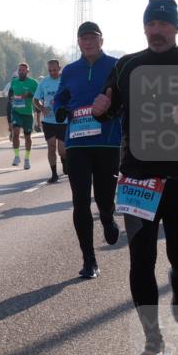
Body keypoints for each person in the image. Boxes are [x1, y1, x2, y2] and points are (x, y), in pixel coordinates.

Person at [92, 0, 178, 355]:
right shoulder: (127, 67)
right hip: (138, 179)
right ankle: (153, 340)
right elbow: (109, 108)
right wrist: (100, 111)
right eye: (150, 24)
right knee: (140, 259)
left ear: (176, 27)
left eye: (163, 24)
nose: (156, 30)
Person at [53, 22, 122, 279]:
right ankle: (89, 259)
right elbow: (60, 97)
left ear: (101, 41)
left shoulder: (116, 66)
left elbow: (124, 99)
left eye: (93, 38)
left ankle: (107, 216)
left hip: (107, 142)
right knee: (80, 200)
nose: (88, 42)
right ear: (78, 42)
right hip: (78, 144)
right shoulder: (70, 70)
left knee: (104, 198)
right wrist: (59, 107)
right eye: (83, 39)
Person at [35, 58, 67, 183]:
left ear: (59, 68)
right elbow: (36, 99)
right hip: (48, 121)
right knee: (51, 146)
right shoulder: (43, 82)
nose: (52, 72)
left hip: (63, 121)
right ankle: (54, 174)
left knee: (62, 150)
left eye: (54, 70)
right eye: (50, 70)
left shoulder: (65, 80)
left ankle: (64, 162)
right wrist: (42, 108)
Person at [7, 63, 38, 169]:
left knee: (27, 137)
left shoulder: (33, 83)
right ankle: (16, 156)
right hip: (16, 111)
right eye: (20, 70)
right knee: (15, 133)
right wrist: (11, 98)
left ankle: (27, 159)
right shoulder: (14, 81)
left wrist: (28, 94)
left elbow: (38, 95)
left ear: (27, 71)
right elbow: (10, 93)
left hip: (28, 113)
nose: (21, 72)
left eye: (23, 70)